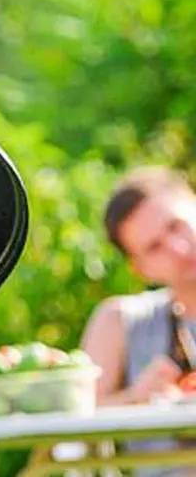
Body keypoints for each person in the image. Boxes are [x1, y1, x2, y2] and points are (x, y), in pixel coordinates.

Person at [80, 167, 196, 476]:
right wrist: (136, 399)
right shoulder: (121, 320)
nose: (179, 249)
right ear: (140, 268)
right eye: (154, 247)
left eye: (176, 226)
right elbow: (74, 418)